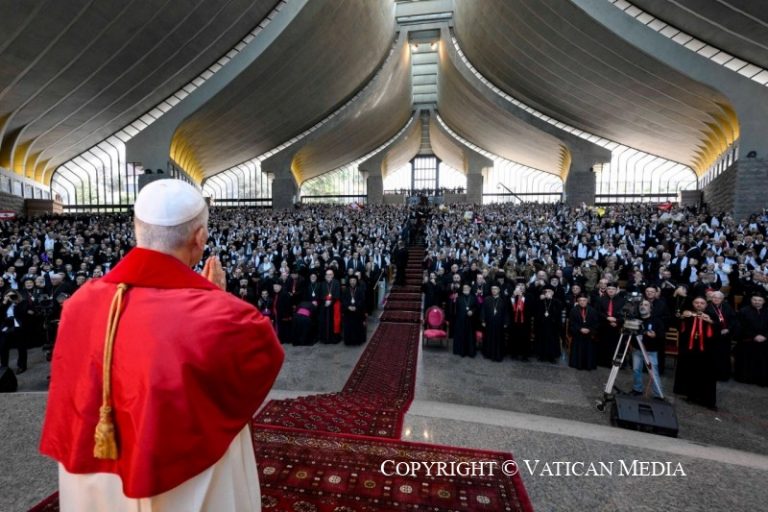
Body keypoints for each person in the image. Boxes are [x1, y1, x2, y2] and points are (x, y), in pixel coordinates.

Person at [40, 180, 284, 511]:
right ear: (200, 237)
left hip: (96, 472)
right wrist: (217, 298)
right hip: (183, 477)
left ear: (137, 229)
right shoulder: (223, 315)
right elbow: (262, 357)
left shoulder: (79, 303)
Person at [674, 296, 718, 409]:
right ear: (693, 304)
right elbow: (678, 326)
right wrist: (682, 317)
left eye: (702, 303)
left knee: (706, 377)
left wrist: (710, 321)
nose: (699, 305)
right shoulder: (688, 315)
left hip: (707, 353)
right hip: (690, 351)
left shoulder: (712, 315)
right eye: (696, 302)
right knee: (691, 373)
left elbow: (719, 331)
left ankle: (706, 401)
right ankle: (691, 396)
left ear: (706, 305)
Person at [631, 299, 665, 398]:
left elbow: (662, 335)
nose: (643, 306)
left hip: (651, 351)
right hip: (637, 350)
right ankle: (637, 389)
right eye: (641, 304)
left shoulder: (656, 320)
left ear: (650, 308)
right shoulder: (635, 319)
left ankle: (658, 394)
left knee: (653, 373)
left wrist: (655, 335)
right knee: (636, 370)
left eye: (646, 305)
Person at [734, 293, 768, 386]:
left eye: (760, 300)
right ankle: (747, 378)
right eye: (754, 300)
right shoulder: (743, 311)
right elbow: (740, 327)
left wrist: (765, 336)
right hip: (748, 339)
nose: (757, 302)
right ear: (751, 300)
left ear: (764, 301)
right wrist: (754, 336)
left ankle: (762, 379)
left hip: (765, 340)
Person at [568, 294, 599, 370]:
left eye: (584, 300)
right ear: (578, 301)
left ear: (587, 301)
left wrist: (589, 329)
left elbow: (596, 323)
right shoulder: (573, 310)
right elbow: (572, 323)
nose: (582, 302)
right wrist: (580, 329)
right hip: (578, 334)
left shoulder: (593, 310)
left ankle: (588, 365)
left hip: (589, 335)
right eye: (580, 300)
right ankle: (577, 364)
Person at [481, 284, 508, 362]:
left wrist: (506, 322)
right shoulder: (487, 299)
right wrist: (483, 320)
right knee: (488, 338)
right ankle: (488, 354)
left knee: (498, 339)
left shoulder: (503, 300)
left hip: (499, 324)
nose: (494, 290)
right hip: (489, 323)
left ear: (499, 290)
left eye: (495, 289)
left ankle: (498, 354)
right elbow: (483, 310)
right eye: (492, 289)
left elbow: (506, 312)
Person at [452, 283, 478, 358]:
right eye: (464, 288)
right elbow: (455, 310)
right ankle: (461, 351)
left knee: (470, 336)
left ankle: (470, 352)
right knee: (461, 335)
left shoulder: (473, 298)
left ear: (470, 288)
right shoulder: (459, 298)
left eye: (467, 288)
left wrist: (472, 311)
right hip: (460, 320)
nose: (465, 289)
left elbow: (476, 307)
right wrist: (454, 301)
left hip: (470, 321)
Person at [342, 274, 367, 345]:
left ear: (356, 281)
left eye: (354, 280)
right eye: (351, 280)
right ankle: (349, 341)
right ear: (349, 281)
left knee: (357, 327)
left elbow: (362, 300)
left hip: (358, 312)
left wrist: (356, 307)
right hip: (348, 312)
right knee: (348, 327)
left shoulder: (360, 290)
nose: (352, 282)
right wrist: (348, 307)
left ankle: (357, 341)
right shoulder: (346, 290)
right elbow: (343, 300)